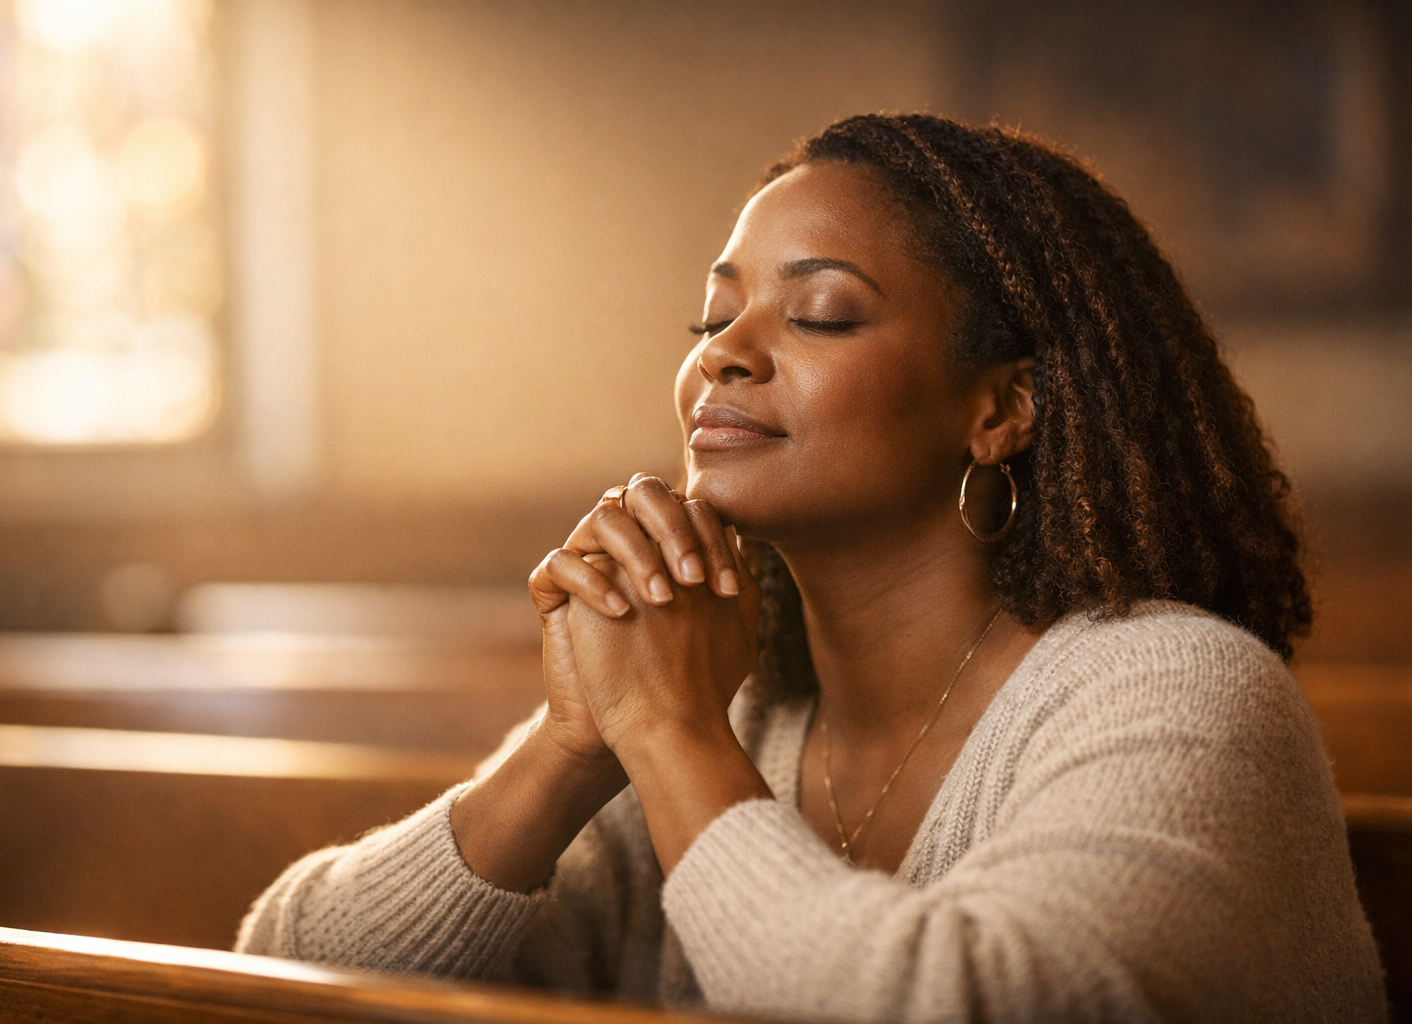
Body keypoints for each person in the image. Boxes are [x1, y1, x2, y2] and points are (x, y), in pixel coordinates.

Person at [236, 114, 1387, 1022]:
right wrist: (574, 744)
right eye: (711, 319)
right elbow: (280, 973)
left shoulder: (1185, 691)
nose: (725, 355)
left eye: (823, 314)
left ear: (1000, 409)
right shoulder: (739, 713)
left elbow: (970, 1005)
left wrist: (677, 739)